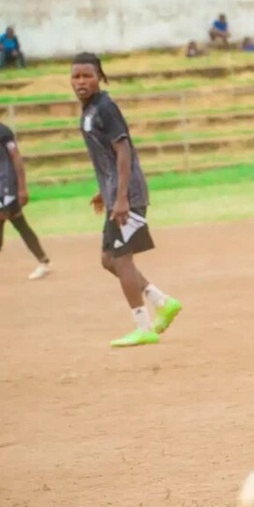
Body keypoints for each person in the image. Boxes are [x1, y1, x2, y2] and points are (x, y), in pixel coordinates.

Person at [71, 53, 183, 347]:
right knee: (109, 260)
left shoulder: (105, 108)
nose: (81, 82)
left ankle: (144, 326)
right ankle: (162, 302)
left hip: (128, 195)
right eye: (76, 76)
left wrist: (121, 197)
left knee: (121, 259)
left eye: (87, 76)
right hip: (115, 193)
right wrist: (105, 190)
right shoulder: (89, 110)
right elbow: (105, 156)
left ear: (100, 77)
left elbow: (123, 150)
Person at [0, 122, 51, 279]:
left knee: (9, 219)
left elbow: (16, 157)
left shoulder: (3, 131)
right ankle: (43, 261)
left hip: (6, 186)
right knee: (19, 222)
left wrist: (22, 187)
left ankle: (44, 262)